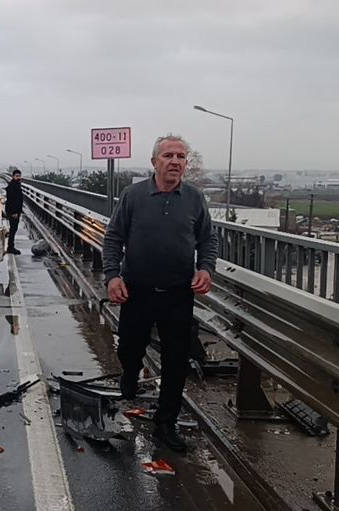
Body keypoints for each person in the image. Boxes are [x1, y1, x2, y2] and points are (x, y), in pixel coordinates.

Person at [102, 135, 217, 452]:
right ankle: (130, 371)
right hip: (137, 290)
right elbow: (113, 238)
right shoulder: (134, 195)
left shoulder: (194, 198)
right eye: (168, 155)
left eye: (181, 156)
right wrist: (112, 276)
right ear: (155, 162)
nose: (175, 161)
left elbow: (208, 240)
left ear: (186, 164)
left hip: (178, 293)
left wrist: (206, 269)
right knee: (129, 346)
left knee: (176, 360)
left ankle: (165, 424)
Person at [5, 169, 23, 255]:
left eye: (19, 176)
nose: (18, 177)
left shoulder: (16, 184)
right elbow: (12, 200)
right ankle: (10, 247)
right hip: (13, 212)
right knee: (13, 229)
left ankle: (11, 246)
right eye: (17, 176)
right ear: (13, 176)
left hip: (16, 211)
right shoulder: (13, 186)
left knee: (14, 229)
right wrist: (14, 212)